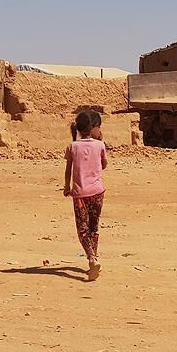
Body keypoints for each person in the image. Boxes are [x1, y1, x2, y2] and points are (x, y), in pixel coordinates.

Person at [64, 110, 108, 281]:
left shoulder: (72, 147)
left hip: (80, 194)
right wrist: (100, 142)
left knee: (82, 229)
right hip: (97, 193)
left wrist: (66, 187)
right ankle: (94, 258)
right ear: (93, 128)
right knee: (93, 227)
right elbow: (104, 165)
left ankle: (92, 258)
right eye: (99, 127)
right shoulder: (100, 145)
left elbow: (68, 170)